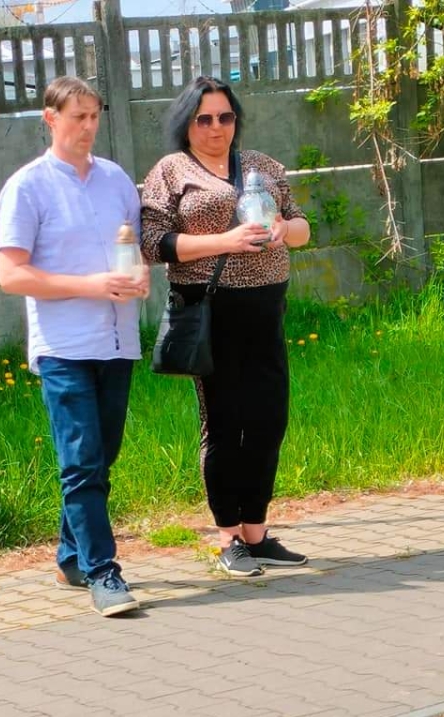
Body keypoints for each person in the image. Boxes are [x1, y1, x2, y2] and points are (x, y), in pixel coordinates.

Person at [141, 76, 310, 577]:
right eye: (205, 119)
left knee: (268, 418)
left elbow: (303, 227)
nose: (217, 127)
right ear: (187, 123)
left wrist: (283, 230)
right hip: (210, 310)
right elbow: (153, 243)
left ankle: (257, 533)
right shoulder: (171, 171)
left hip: (266, 308)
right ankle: (228, 537)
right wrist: (226, 241)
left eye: (225, 117)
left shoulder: (263, 166)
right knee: (224, 423)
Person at [0, 76, 149, 616]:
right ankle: (104, 573)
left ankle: (70, 557)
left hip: (117, 340)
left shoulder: (116, 179)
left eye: (94, 115)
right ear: (50, 118)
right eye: (77, 116)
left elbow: (132, 248)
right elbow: (11, 275)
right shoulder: (27, 187)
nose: (88, 126)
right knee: (81, 462)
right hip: (64, 345)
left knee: (100, 460)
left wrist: (139, 275)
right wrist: (90, 286)